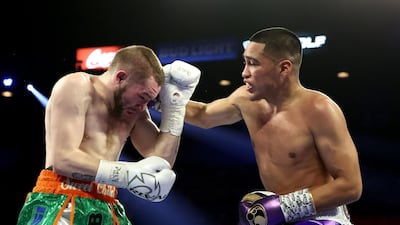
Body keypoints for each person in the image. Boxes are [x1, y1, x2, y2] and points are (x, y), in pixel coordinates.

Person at [183, 27, 362, 225]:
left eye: (253, 63)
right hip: (279, 217)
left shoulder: (320, 109)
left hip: (323, 217)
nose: (245, 73)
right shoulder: (246, 99)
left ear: (284, 68)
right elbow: (203, 116)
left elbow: (351, 186)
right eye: (245, 62)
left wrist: (286, 207)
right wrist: (159, 98)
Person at [16, 45, 201, 225]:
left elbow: (161, 162)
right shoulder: (78, 86)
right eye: (143, 96)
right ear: (121, 77)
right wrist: (126, 175)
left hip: (106, 200)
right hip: (61, 197)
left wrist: (175, 109)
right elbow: (62, 160)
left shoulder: (134, 110)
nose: (144, 106)